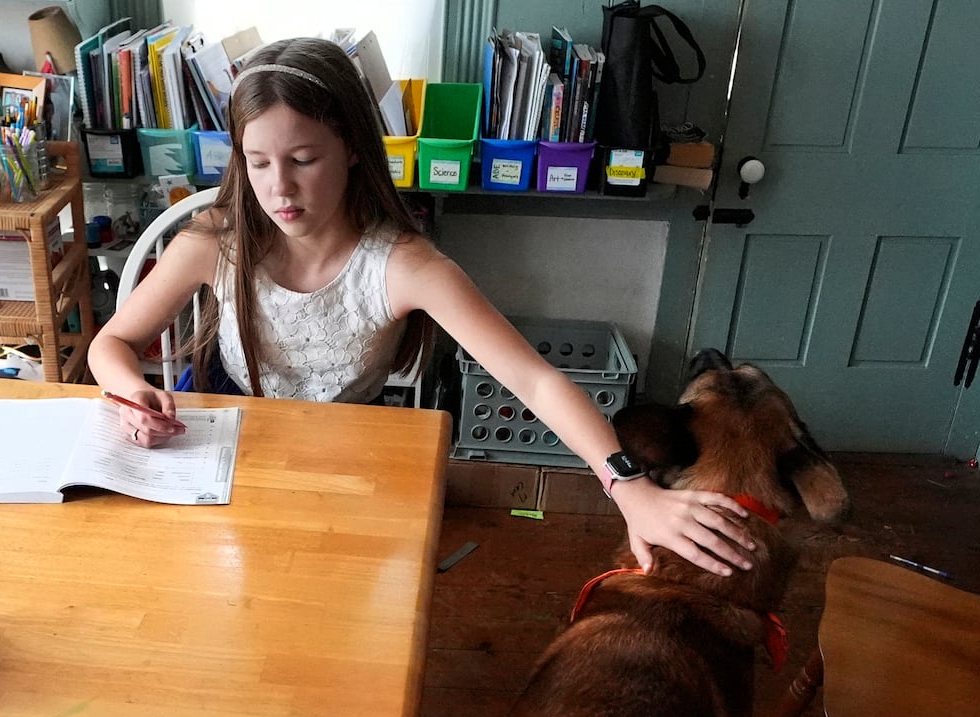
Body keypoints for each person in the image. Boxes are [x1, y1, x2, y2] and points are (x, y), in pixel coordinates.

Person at [87, 36, 754, 577]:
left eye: (302, 158)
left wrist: (630, 487)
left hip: (353, 470)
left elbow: (534, 377)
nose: (278, 186)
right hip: (224, 462)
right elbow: (109, 344)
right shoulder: (213, 244)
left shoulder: (403, 264)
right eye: (256, 162)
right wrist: (131, 392)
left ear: (351, 147)